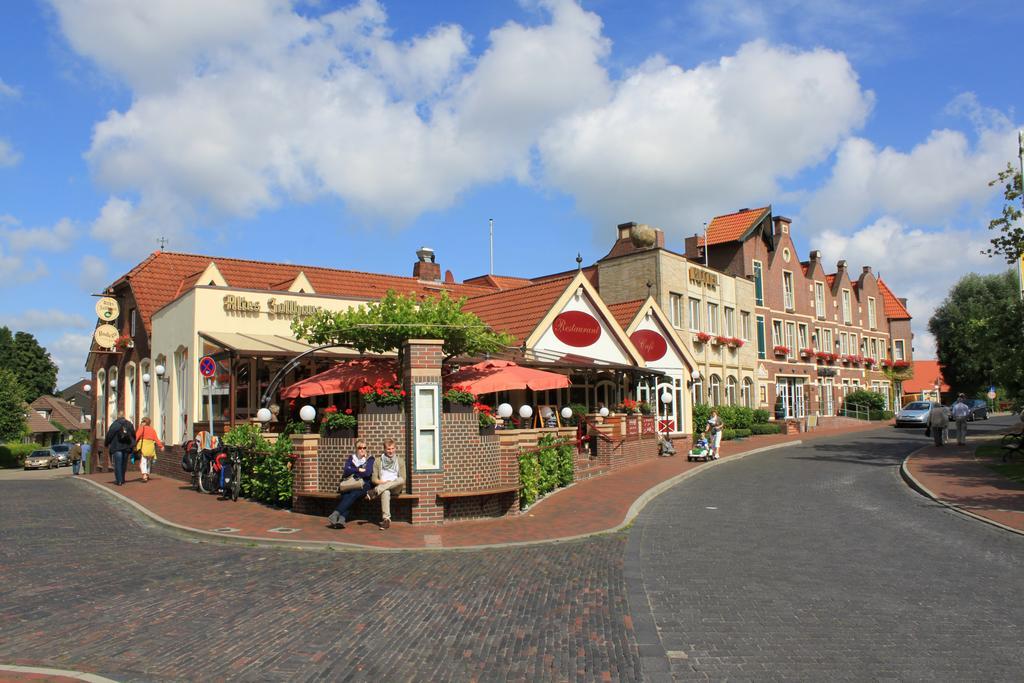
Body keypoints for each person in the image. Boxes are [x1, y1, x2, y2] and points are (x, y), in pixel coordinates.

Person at [327, 439, 375, 529]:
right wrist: (358, 470)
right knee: (347, 494)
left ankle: (335, 514)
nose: (362, 450)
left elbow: (367, 473)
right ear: (356, 449)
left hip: (364, 485)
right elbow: (346, 471)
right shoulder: (351, 458)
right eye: (360, 448)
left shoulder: (370, 459)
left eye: (364, 448)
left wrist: (354, 470)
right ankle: (341, 521)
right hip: (350, 484)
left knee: (353, 494)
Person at [369, 438, 406, 530]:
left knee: (400, 480)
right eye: (389, 449)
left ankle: (375, 491)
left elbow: (403, 479)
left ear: (395, 448)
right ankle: (386, 520)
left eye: (393, 448)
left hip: (396, 487)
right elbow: (374, 479)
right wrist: (383, 483)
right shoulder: (378, 461)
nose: (391, 451)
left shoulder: (400, 460)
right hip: (383, 485)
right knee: (385, 492)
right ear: (384, 449)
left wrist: (390, 483)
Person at [104, 411, 136, 485]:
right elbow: (133, 434)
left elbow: (109, 435)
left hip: (117, 447)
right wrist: (132, 444)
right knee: (124, 464)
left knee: (118, 464)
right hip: (126, 447)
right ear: (124, 415)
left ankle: (119, 480)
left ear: (117, 416)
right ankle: (123, 478)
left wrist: (106, 443)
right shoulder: (129, 424)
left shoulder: (114, 424)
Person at [134, 417, 165, 482]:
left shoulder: (141, 428)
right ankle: (147, 474)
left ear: (145, 422)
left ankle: (144, 474)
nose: (141, 423)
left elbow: (136, 437)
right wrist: (161, 446)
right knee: (148, 461)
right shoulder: (152, 430)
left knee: (143, 461)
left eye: (142, 421)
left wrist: (132, 444)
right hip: (151, 447)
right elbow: (156, 439)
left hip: (143, 447)